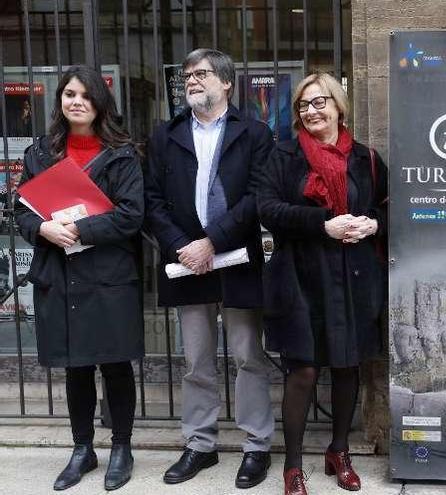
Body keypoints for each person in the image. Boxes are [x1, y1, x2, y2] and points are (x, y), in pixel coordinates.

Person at [143, 48, 275, 489]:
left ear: (225, 83)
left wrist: (212, 241)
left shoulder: (255, 133)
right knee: (196, 360)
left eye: (201, 75)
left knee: (248, 357)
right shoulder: (166, 134)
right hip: (187, 263)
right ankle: (200, 444)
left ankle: (256, 447)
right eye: (186, 77)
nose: (192, 82)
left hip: (236, 258)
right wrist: (184, 246)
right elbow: (152, 201)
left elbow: (258, 196)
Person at [14, 65, 144, 491]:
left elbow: (131, 215)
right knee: (76, 367)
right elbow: (20, 210)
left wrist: (79, 230)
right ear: (60, 101)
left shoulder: (123, 153)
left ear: (99, 103)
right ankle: (82, 448)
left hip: (107, 275)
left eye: (85, 96)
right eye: (69, 94)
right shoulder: (40, 153)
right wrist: (42, 229)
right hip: (61, 274)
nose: (76, 102)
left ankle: (121, 447)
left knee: (115, 364)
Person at [257, 72, 387, 495]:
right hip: (301, 276)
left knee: (348, 365)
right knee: (304, 370)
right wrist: (322, 224)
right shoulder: (284, 156)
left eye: (319, 102)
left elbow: (393, 209)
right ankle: (293, 467)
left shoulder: (366, 159)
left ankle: (339, 452)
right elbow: (268, 209)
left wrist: (372, 224)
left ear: (338, 107)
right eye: (303, 105)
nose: (311, 111)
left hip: (354, 275)